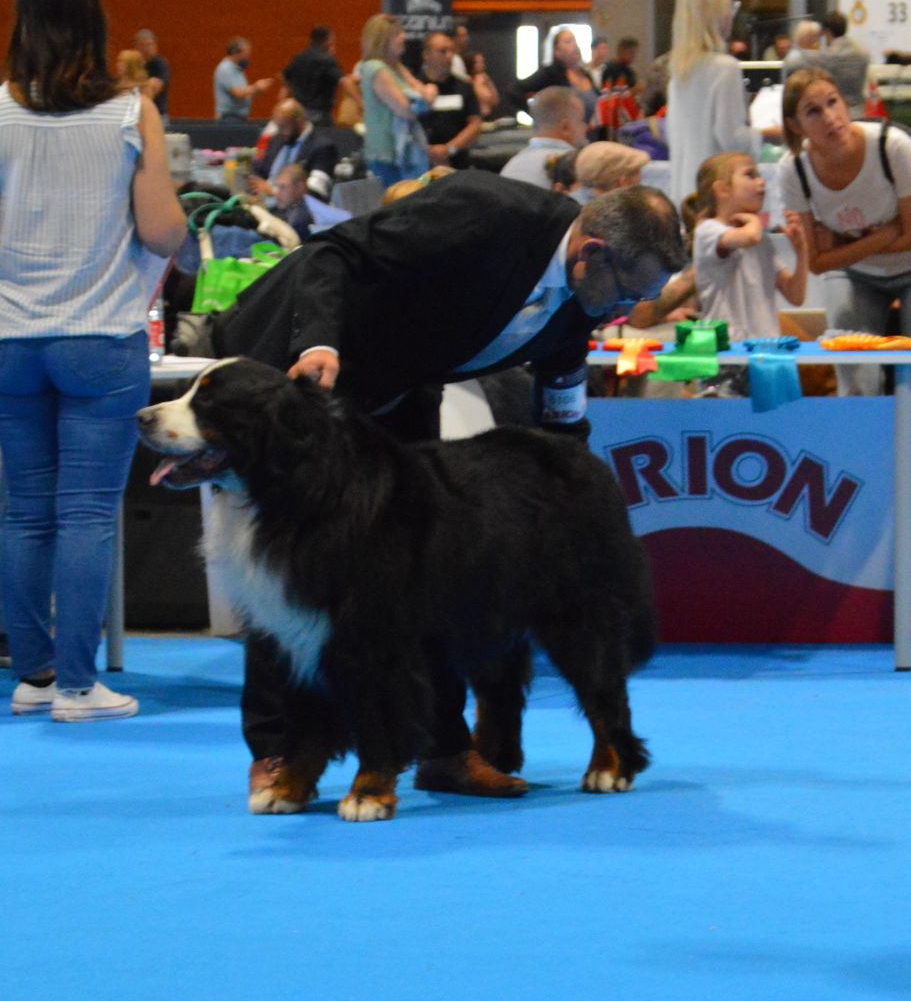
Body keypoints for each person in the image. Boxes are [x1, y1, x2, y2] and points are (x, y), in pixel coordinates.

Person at [210, 171, 689, 812]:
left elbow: (563, 419)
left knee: (424, 581)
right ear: (592, 254)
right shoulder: (485, 211)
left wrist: (572, 515)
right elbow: (333, 253)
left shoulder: (582, 302)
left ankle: (441, 750)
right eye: (629, 293)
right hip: (309, 370)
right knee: (295, 576)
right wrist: (319, 343)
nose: (627, 312)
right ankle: (281, 752)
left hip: (405, 386)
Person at [0, 0, 186, 721]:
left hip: (11, 340)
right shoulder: (128, 109)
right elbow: (162, 230)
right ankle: (79, 686)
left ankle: (35, 677)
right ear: (96, 29)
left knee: (24, 515)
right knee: (84, 514)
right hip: (100, 339)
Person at [778, 67, 911, 395]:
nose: (829, 116)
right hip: (856, 276)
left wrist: (842, 243)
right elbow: (818, 263)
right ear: (795, 126)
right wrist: (882, 235)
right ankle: (863, 444)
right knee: (854, 379)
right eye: (813, 111)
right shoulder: (793, 170)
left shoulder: (892, 146)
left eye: (832, 102)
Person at [689, 151, 807, 341]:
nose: (761, 182)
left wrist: (802, 251)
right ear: (722, 189)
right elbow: (749, 237)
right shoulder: (708, 231)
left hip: (766, 346)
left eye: (759, 175)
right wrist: (754, 221)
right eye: (750, 175)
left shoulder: (762, 241)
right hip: (728, 352)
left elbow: (796, 296)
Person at [666, 0, 761, 206]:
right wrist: (763, 134)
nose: (732, 13)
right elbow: (731, 138)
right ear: (716, 15)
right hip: (717, 196)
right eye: (729, 6)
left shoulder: (678, 73)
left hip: (684, 193)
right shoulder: (724, 68)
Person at [358, 13, 438, 188]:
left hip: (404, 153)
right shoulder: (375, 68)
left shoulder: (395, 67)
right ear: (381, 39)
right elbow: (407, 110)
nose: (403, 37)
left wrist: (425, 95)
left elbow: (425, 93)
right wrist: (425, 95)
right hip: (387, 156)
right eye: (396, 34)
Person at [247, 98, 338, 202]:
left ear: (299, 121)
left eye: (283, 127)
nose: (279, 132)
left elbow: (316, 190)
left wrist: (274, 191)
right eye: (277, 126)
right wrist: (254, 181)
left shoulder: (323, 147)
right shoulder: (276, 139)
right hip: (263, 203)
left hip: (294, 211)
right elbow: (258, 168)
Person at [499, 86, 588, 189]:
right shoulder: (578, 168)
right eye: (582, 121)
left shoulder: (511, 167)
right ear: (565, 127)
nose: (586, 127)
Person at [418, 32, 481, 169]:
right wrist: (427, 151)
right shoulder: (415, 87)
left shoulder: (464, 87)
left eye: (452, 51)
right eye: (442, 51)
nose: (449, 56)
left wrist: (449, 149)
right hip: (419, 163)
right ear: (426, 55)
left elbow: (475, 124)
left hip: (457, 162)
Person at [509, 28, 598, 122]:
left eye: (575, 40)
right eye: (568, 41)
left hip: (590, 134)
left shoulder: (586, 74)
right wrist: (537, 115)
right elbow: (514, 90)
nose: (574, 45)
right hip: (562, 134)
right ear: (557, 52)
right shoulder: (551, 73)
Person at [811, 11, 871, 120]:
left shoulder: (826, 56)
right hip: (860, 112)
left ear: (827, 32)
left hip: (837, 114)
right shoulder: (863, 53)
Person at [281, 25, 343, 128]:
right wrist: (360, 102)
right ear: (326, 40)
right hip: (321, 113)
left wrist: (288, 93)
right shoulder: (326, 59)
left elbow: (285, 76)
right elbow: (342, 80)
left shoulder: (299, 57)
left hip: (300, 111)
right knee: (325, 139)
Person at [213, 37, 274, 121]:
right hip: (229, 118)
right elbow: (239, 93)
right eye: (245, 55)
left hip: (238, 117)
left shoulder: (237, 69)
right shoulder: (225, 69)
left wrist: (259, 90)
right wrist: (256, 87)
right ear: (236, 53)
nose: (247, 58)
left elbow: (245, 94)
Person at [573, 141, 650, 203]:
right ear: (622, 182)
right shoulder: (622, 218)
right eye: (638, 174)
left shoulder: (572, 204)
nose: (640, 181)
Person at [133, 28, 169, 123]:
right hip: (136, 115)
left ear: (155, 46)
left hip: (157, 115)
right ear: (136, 47)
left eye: (149, 44)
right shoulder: (133, 65)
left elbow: (154, 89)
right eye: (142, 45)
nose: (146, 48)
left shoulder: (160, 64)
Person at [463, 50, 500, 120]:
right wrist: (478, 84)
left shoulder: (484, 78)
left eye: (482, 62)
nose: (482, 65)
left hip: (487, 117)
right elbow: (480, 97)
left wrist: (488, 82)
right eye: (478, 62)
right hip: (475, 118)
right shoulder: (467, 81)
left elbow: (495, 101)